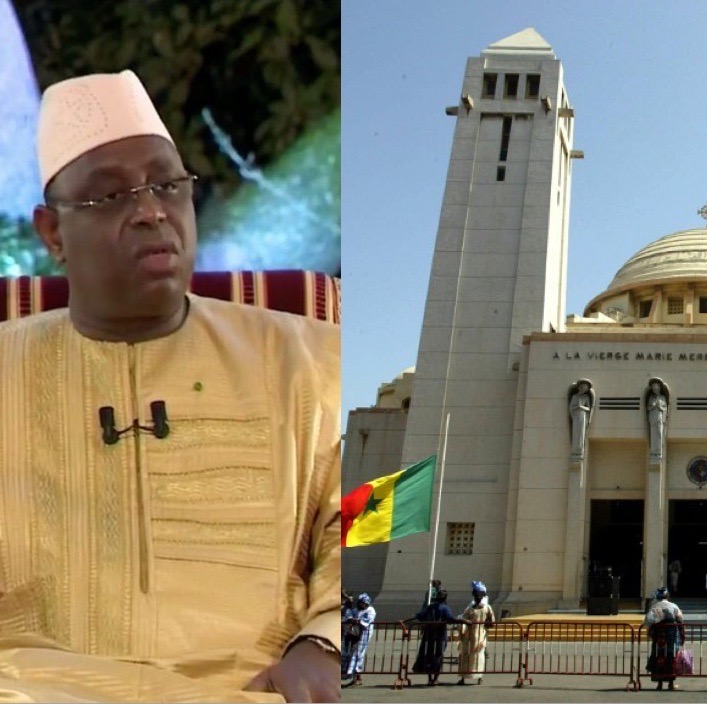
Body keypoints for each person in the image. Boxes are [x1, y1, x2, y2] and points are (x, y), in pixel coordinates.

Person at [0, 70, 341, 703]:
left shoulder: (309, 357)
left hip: (252, 688)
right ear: (52, 234)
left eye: (166, 185)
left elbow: (354, 519)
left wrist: (324, 640)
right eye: (110, 196)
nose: (151, 211)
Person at [410, 583, 464, 686]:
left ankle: (430, 678)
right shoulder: (445, 608)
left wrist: (405, 620)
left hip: (428, 635)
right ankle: (435, 678)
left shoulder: (430, 607)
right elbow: (450, 619)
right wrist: (464, 621)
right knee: (438, 656)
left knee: (429, 655)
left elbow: (419, 616)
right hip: (440, 636)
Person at [643, 587, 686, 691]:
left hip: (658, 639)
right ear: (668, 596)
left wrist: (650, 632)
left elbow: (648, 622)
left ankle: (659, 684)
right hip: (671, 639)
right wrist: (682, 635)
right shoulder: (673, 606)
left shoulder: (654, 607)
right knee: (671, 657)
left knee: (658, 658)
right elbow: (680, 620)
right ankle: (671, 684)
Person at [457, 581, 496, 685]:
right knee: (466, 655)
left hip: (480, 636)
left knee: (479, 656)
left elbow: (492, 622)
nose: (477, 597)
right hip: (468, 637)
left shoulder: (487, 608)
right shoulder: (469, 609)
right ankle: (463, 676)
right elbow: (463, 619)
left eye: (479, 595)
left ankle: (479, 676)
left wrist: (486, 623)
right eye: (476, 595)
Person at [342, 594, 376, 686]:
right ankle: (355, 677)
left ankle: (356, 677)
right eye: (362, 603)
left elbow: (366, 621)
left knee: (358, 655)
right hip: (353, 635)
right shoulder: (355, 610)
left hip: (364, 636)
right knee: (350, 654)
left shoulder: (370, 610)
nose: (363, 605)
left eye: (365, 604)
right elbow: (348, 618)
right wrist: (351, 618)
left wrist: (357, 621)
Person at [568, 379, 595, 461]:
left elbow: (588, 408)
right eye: (583, 387)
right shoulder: (574, 396)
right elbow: (571, 407)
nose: (584, 390)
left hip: (582, 417)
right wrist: (575, 409)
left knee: (581, 433)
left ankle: (579, 451)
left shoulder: (586, 397)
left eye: (586, 389)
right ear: (579, 387)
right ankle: (574, 451)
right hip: (575, 417)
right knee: (575, 432)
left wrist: (581, 407)